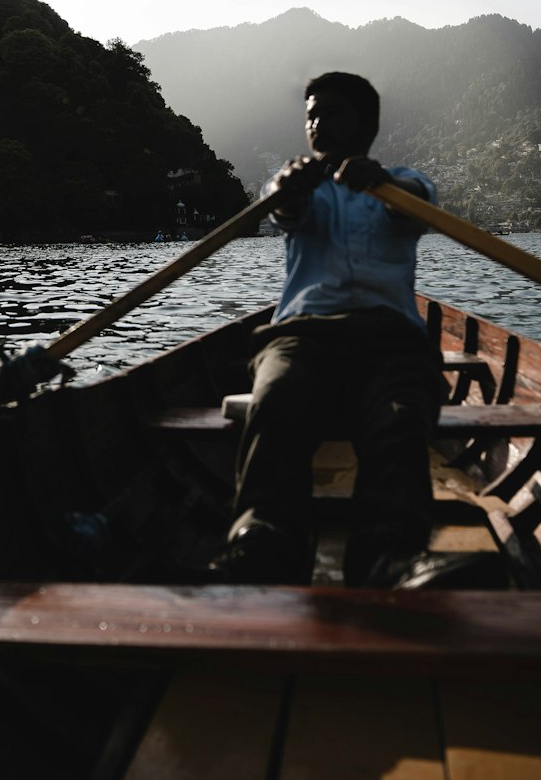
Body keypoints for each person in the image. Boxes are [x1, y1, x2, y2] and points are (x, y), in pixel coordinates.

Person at [203, 71, 503, 590]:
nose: (317, 123)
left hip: (392, 340)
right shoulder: (295, 184)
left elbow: (417, 205)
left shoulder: (407, 183)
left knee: (401, 419)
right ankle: (263, 540)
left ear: (367, 125)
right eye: (311, 115)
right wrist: (285, 188)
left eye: (331, 112)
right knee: (276, 399)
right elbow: (281, 205)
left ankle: (390, 553)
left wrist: (382, 185)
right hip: (302, 333)